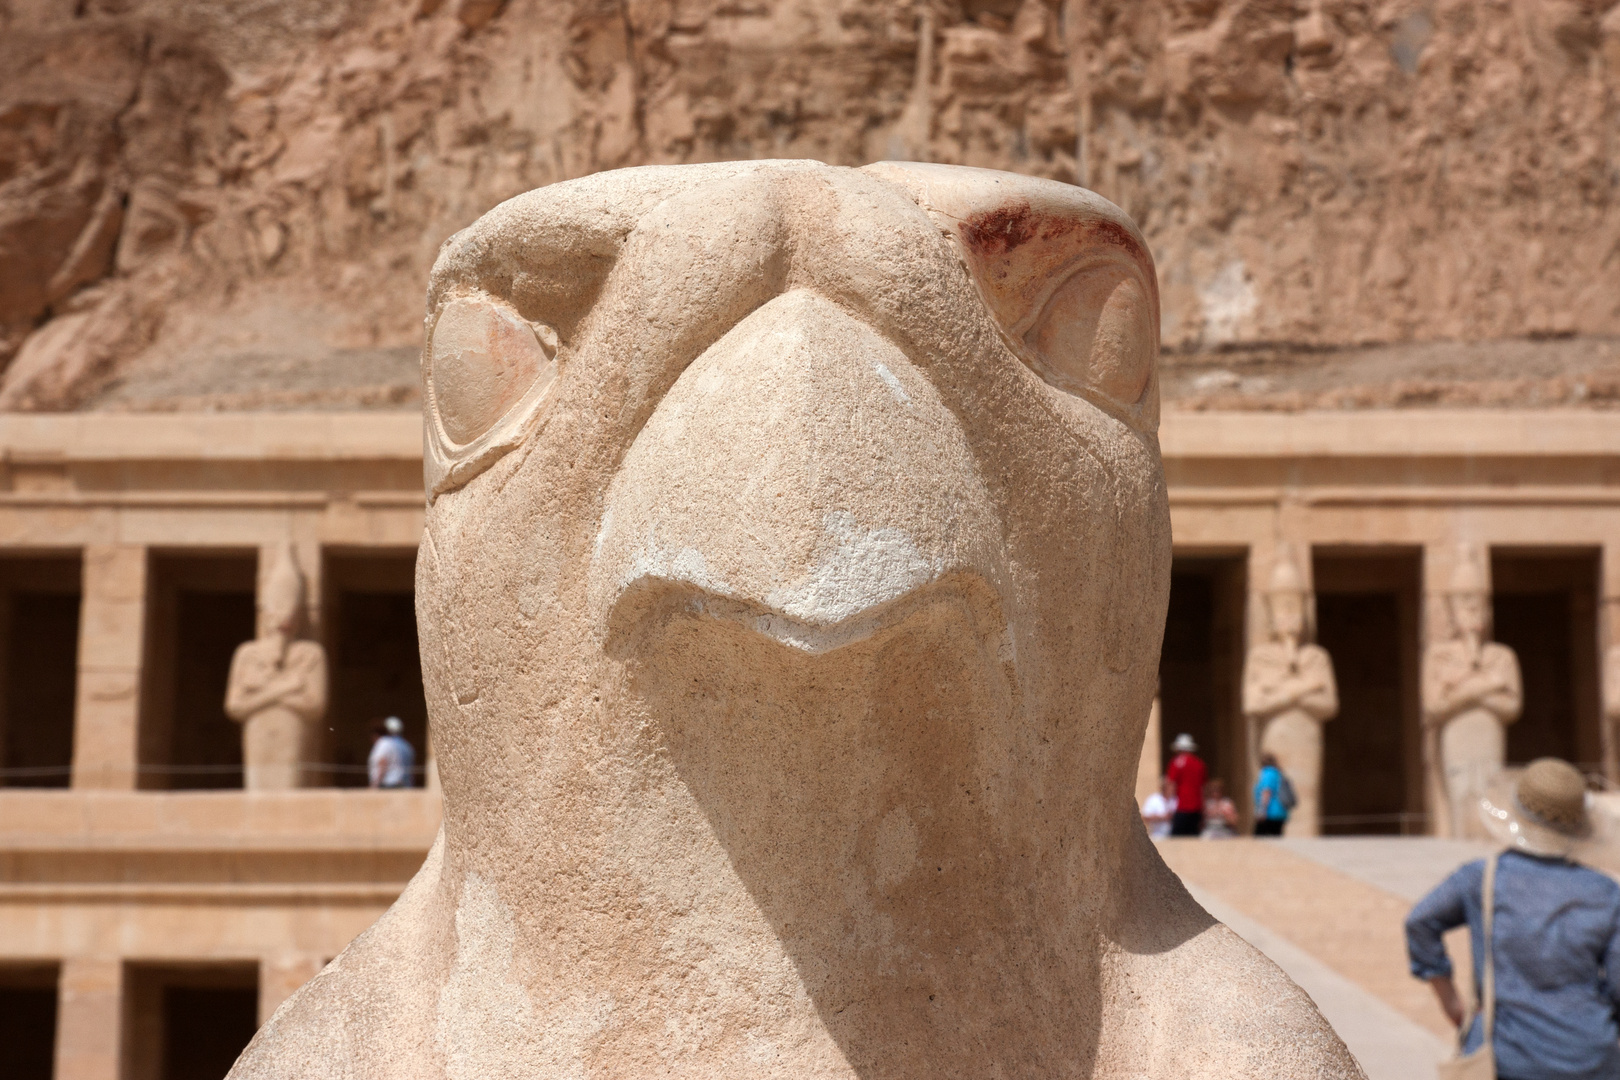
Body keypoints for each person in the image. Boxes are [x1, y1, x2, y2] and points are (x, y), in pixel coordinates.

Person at [1405, 757, 1620, 1080]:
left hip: (1509, 1053)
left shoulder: (1482, 878)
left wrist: (1449, 998)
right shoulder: (1605, 892)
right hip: (1589, 1055)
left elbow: (1420, 921)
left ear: (1518, 812)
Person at [1165, 733, 1207, 837]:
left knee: (1177, 839)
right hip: (1197, 807)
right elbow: (1203, 787)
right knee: (1193, 838)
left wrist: (1168, 804)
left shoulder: (1176, 763)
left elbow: (1171, 785)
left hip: (1181, 806)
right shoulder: (1199, 764)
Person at [367, 716, 416, 789]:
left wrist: (374, 785)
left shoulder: (385, 743)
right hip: (404, 785)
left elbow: (382, 763)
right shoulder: (407, 746)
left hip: (389, 784)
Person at [1253, 752, 1291, 836]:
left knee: (1260, 838)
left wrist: (1262, 811)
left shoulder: (1268, 773)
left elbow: (1266, 792)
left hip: (1270, 813)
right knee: (1275, 838)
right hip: (1280, 812)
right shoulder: (1278, 773)